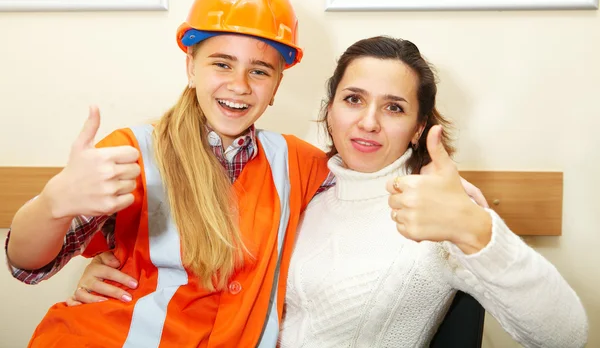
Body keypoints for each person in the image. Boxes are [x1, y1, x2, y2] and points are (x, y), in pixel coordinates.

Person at [75, 36, 588, 348]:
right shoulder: (303, 185)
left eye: (393, 107)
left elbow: (565, 336)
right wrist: (124, 275)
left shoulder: (441, 209)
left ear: (417, 127)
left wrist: (478, 232)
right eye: (353, 99)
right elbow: (225, 269)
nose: (367, 122)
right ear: (330, 109)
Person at [6, 0, 333, 348]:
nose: (240, 84)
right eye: (222, 64)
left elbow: (372, 187)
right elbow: (27, 265)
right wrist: (53, 204)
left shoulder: (300, 164)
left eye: (259, 71)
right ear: (191, 67)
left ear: (276, 85)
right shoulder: (133, 151)